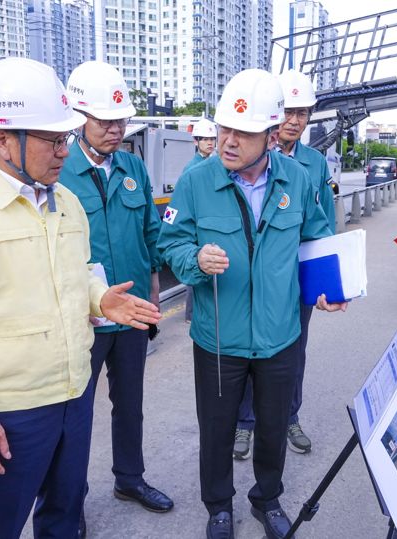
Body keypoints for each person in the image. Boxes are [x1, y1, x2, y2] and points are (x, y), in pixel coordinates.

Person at [0, 57, 161, 539]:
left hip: (72, 393)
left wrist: (99, 298)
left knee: (65, 516)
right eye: (51, 140)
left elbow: (80, 271)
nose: (63, 152)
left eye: (65, 138)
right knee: (0, 524)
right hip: (8, 412)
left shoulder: (64, 202)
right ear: (2, 138)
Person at [157, 69, 348, 539]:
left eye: (243, 132)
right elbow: (170, 244)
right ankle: (219, 507)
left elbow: (317, 237)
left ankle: (267, 499)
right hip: (218, 336)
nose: (229, 140)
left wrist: (328, 289)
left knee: (272, 427)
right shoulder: (197, 181)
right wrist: (196, 259)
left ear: (270, 134)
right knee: (218, 430)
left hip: (281, 334)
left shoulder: (298, 180)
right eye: (224, 128)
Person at [59, 60, 174, 516]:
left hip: (130, 315)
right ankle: (70, 503)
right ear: (79, 118)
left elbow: (152, 234)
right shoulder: (57, 170)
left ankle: (130, 480)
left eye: (121, 120)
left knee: (130, 406)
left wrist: (169, 278)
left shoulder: (132, 167)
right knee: (74, 417)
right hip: (80, 319)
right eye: (105, 121)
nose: (114, 129)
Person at [233, 69, 335, 460]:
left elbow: (323, 227)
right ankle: (245, 424)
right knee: (247, 350)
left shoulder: (314, 164)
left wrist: (328, 282)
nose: (295, 120)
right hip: (255, 280)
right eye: (289, 111)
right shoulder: (251, 154)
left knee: (294, 351)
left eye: (303, 113)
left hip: (295, 282)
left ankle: (290, 416)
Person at [183, 117, 218, 323]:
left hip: (210, 224)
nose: (210, 143)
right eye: (205, 139)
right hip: (198, 227)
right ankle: (191, 314)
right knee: (196, 271)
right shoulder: (192, 169)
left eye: (212, 139)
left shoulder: (214, 164)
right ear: (196, 141)